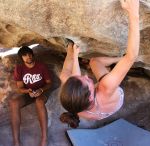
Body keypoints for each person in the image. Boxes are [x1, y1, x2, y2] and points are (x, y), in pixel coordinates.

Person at [59, 0, 140, 128]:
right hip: (112, 101)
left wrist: (74, 55)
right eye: (88, 81)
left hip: (97, 110)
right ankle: (119, 59)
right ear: (91, 97)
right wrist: (133, 12)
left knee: (64, 77)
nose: (87, 76)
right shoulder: (106, 87)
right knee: (94, 61)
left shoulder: (77, 105)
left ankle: (69, 47)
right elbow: (132, 56)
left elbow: (77, 80)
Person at [9, 46, 52, 146]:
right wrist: (27, 91)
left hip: (42, 92)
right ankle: (16, 141)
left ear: (32, 54)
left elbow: (49, 83)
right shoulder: (19, 68)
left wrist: (41, 90)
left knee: (39, 102)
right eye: (25, 55)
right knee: (13, 103)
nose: (28, 56)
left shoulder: (41, 66)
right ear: (21, 58)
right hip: (29, 93)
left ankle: (44, 139)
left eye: (29, 54)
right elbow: (20, 87)